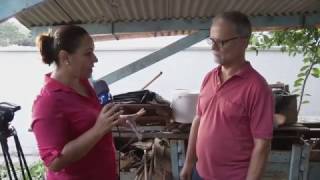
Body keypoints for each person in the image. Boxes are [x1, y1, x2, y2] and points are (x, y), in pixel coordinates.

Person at [31, 25, 144, 180]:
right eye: (88, 53)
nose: (95, 59)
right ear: (66, 58)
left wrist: (115, 121)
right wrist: (99, 129)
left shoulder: (83, 83)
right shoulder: (47, 101)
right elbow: (54, 162)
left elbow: (87, 123)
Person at [180, 11, 274, 180]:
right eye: (212, 41)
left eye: (221, 42)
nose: (213, 48)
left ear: (243, 42)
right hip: (200, 173)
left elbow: (262, 144)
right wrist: (188, 163)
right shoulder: (209, 77)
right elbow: (198, 120)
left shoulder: (257, 87)